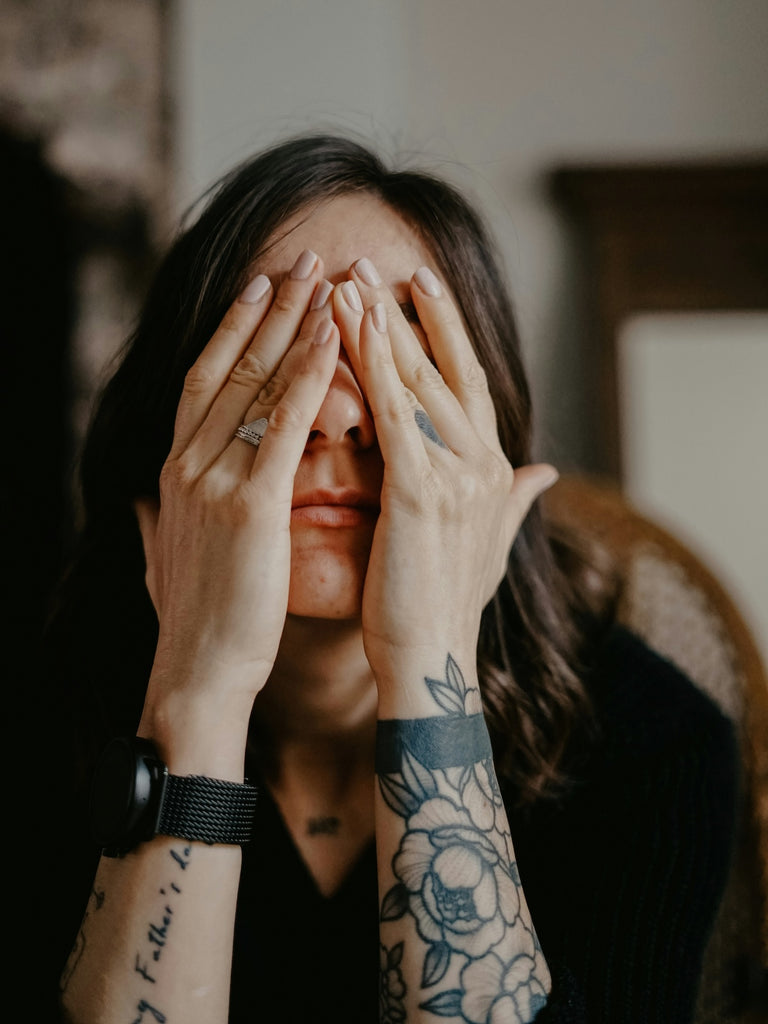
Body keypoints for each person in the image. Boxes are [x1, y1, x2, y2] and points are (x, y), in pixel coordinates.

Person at [36, 134, 738, 1024]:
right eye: (279, 345)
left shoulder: (651, 745)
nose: (333, 415)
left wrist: (427, 663)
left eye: (400, 356)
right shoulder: (40, 712)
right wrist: (198, 691)